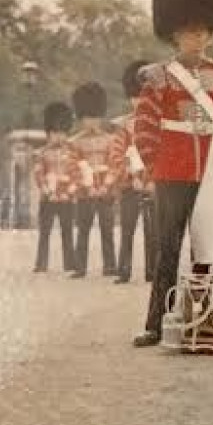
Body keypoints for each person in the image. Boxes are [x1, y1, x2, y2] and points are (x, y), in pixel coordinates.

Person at [131, 0, 213, 347]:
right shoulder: (159, 77)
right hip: (172, 171)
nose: (196, 38)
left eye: (201, 31)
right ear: (174, 35)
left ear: (209, 34)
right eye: (188, 32)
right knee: (168, 249)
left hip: (210, 172)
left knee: (208, 247)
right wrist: (155, 165)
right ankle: (156, 323)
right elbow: (144, 127)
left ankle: (204, 318)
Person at [68, 81, 119, 279]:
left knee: (107, 230)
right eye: (88, 118)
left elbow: (115, 164)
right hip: (85, 192)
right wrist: (86, 185)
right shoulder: (75, 142)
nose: (91, 122)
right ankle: (80, 267)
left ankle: (110, 266)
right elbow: (73, 167)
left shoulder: (111, 140)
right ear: (81, 119)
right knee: (83, 230)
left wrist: (106, 184)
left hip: (105, 191)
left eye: (95, 118)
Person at [112, 60, 156, 284]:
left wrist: (150, 180)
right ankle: (124, 269)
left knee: (152, 232)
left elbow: (159, 155)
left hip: (151, 186)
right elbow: (117, 155)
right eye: (135, 96)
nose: (138, 101)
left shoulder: (157, 124)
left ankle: (152, 270)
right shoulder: (123, 126)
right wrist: (130, 176)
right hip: (130, 187)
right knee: (127, 229)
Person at [33, 101, 79, 274]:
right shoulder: (41, 153)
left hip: (66, 199)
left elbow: (76, 175)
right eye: (54, 133)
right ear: (48, 134)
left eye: (62, 133)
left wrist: (70, 191)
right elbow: (39, 175)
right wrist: (47, 191)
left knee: (67, 232)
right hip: (48, 199)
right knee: (44, 233)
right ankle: (41, 264)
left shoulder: (73, 152)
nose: (58, 137)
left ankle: (70, 264)